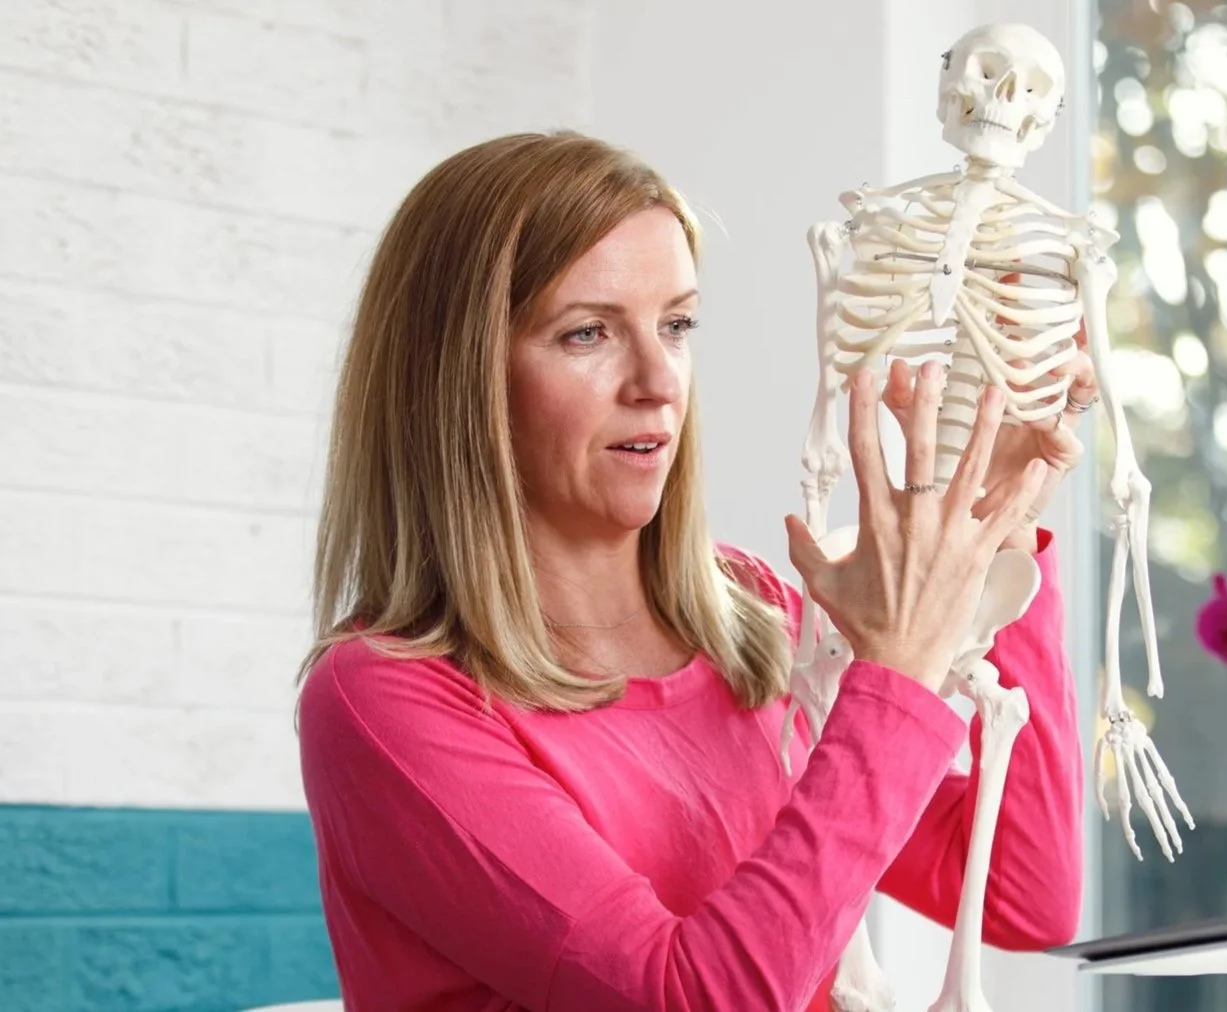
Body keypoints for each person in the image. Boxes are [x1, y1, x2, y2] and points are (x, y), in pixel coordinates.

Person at [295, 130, 1094, 1012]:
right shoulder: (388, 702)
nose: (656, 380)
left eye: (675, 325)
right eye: (586, 333)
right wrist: (896, 674)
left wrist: (996, 520)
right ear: (458, 379)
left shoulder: (752, 618)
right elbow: (692, 1000)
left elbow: (1026, 894)